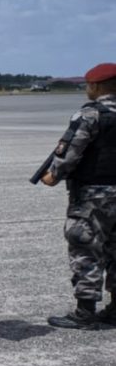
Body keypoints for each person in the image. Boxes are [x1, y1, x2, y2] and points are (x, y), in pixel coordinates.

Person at [42, 63, 116, 329]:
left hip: (93, 195)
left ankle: (85, 312)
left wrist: (53, 175)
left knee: (86, 248)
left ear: (95, 86)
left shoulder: (90, 115)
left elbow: (70, 152)